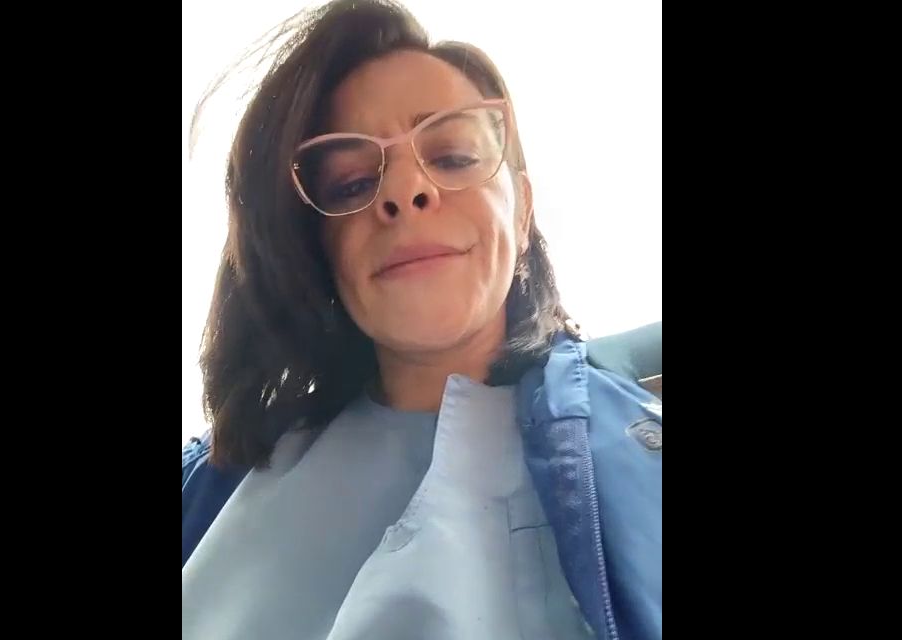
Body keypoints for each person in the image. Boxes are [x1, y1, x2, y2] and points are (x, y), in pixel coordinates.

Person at [182, 1, 661, 639]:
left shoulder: (642, 459)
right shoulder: (213, 483)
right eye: (351, 182)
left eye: (454, 156)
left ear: (521, 215)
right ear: (318, 251)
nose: (404, 191)